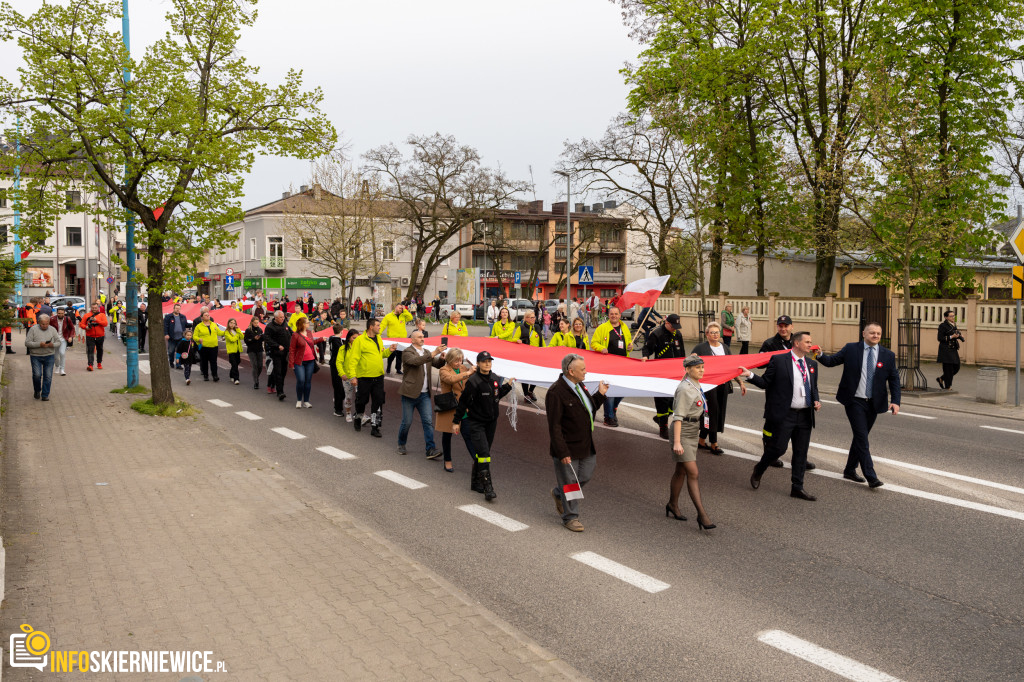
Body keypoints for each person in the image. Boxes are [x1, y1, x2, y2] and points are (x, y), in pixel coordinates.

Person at [740, 331, 822, 501]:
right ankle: (759, 469)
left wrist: (816, 400)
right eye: (807, 342)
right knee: (778, 449)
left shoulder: (811, 364)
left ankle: (797, 487)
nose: (810, 344)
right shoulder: (779, 361)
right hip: (786, 414)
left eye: (810, 342)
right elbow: (765, 383)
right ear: (797, 343)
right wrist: (750, 375)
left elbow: (813, 387)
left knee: (801, 452)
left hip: (805, 415)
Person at [817, 323, 900, 488]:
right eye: (872, 333)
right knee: (862, 437)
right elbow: (831, 361)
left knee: (860, 436)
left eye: (878, 333)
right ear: (864, 333)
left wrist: (896, 401)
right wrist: (819, 354)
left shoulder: (888, 355)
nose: (875, 336)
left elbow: (894, 379)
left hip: (874, 402)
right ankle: (871, 476)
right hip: (854, 400)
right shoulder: (851, 349)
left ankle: (849, 470)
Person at [546, 353, 609, 532]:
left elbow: (588, 409)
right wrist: (562, 452)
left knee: (585, 476)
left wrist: (601, 395)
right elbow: (554, 426)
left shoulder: (579, 386)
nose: (586, 372)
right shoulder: (556, 392)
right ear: (570, 371)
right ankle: (570, 518)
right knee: (571, 483)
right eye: (583, 370)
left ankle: (559, 493)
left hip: (585, 443)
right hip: (567, 447)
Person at [452, 351, 515, 501]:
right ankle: (488, 487)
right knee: (485, 454)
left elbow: (496, 395)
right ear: (478, 364)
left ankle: (475, 483)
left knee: (481, 454)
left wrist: (507, 387)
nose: (487, 363)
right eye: (484, 361)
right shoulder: (473, 381)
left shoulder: (494, 378)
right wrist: (456, 421)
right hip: (476, 423)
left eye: (489, 361)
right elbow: (463, 403)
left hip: (491, 423)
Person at [758, 315, 816, 471]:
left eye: (786, 326)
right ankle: (770, 454)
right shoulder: (770, 343)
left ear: (792, 327)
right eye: (780, 326)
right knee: (772, 423)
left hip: (795, 390)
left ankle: (800, 459)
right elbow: (759, 363)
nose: (783, 329)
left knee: (799, 433)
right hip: (776, 389)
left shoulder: (797, 342)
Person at [666, 354, 717, 529]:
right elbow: (678, 417)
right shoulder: (684, 389)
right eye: (697, 367)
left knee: (681, 470)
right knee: (693, 472)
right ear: (688, 370)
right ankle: (702, 515)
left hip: (693, 430)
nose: (701, 370)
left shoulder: (694, 384)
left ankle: (672, 504)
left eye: (702, 367)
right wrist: (677, 443)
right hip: (683, 432)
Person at [692, 322, 746, 454]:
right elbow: (690, 364)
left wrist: (740, 382)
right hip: (708, 386)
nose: (715, 335)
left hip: (723, 385)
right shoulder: (700, 348)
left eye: (717, 332)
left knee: (718, 411)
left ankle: (701, 439)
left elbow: (732, 367)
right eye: (712, 332)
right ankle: (714, 443)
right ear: (707, 334)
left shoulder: (725, 348)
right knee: (713, 412)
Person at [397, 330, 447, 458]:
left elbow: (435, 363)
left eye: (423, 337)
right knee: (407, 422)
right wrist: (435, 352)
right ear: (412, 340)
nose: (422, 338)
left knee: (428, 422)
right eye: (419, 337)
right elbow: (416, 361)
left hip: (424, 394)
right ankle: (401, 443)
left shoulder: (426, 352)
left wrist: (441, 359)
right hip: (409, 393)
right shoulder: (407, 352)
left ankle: (430, 449)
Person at [345, 318, 397, 437]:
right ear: (371, 327)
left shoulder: (379, 338)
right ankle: (358, 418)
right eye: (378, 325)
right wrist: (352, 376)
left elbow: (380, 354)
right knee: (361, 401)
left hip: (378, 377)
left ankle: (375, 427)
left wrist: (390, 351)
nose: (380, 327)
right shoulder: (360, 340)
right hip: (364, 378)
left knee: (378, 403)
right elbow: (353, 360)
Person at [642, 313, 686, 439]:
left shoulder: (678, 334)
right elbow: (647, 348)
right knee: (662, 400)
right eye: (673, 326)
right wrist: (645, 356)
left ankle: (661, 418)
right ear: (667, 323)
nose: (675, 329)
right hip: (661, 372)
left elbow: (682, 352)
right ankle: (663, 427)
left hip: (676, 372)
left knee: (674, 400)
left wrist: (685, 366)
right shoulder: (657, 334)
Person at [436, 349, 475, 473]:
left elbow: (471, 378)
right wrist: (468, 373)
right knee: (447, 436)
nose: (459, 363)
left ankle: (477, 461)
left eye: (460, 360)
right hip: (449, 407)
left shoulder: (464, 367)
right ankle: (447, 461)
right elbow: (452, 379)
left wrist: (475, 366)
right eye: (456, 360)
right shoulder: (443, 370)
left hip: (463, 407)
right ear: (450, 359)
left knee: (468, 435)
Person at [591, 306, 632, 426]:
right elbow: (593, 343)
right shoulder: (602, 328)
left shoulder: (624, 327)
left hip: (623, 364)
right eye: (611, 314)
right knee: (609, 392)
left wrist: (630, 346)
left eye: (616, 314)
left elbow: (629, 343)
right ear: (608, 316)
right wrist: (601, 348)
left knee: (623, 389)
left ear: (620, 315)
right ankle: (608, 417)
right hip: (607, 365)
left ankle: (613, 408)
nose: (614, 316)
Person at [25, 313, 62, 401]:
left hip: (49, 355)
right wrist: (39, 344)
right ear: (39, 323)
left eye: (46, 324)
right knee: (37, 375)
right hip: (36, 356)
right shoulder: (33, 329)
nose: (44, 326)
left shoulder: (52, 329)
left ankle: (45, 394)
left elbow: (58, 342)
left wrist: (51, 345)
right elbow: (27, 343)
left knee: (48, 376)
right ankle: (37, 390)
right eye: (42, 324)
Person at [512, 309, 544, 402]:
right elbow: (514, 338)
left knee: (536, 375)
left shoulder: (537, 327)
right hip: (525, 355)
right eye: (531, 317)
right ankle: (526, 395)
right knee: (525, 375)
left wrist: (545, 350)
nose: (534, 319)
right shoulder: (521, 328)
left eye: (534, 317)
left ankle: (530, 391)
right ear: (526, 318)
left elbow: (541, 340)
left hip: (537, 355)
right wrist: (517, 340)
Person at [288, 316, 317, 408]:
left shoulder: (309, 333)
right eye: (307, 322)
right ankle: (299, 400)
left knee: (308, 381)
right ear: (302, 324)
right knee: (301, 380)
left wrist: (320, 340)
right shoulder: (295, 335)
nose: (309, 324)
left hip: (310, 361)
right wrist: (291, 363)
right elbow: (292, 349)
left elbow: (311, 342)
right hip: (299, 362)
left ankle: (306, 401)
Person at [264, 310, 292, 401]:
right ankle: (280, 392)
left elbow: (292, 333)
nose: (283, 318)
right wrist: (277, 346)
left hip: (286, 353)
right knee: (278, 372)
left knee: (284, 371)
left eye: (283, 317)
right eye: (281, 317)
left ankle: (279, 387)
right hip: (276, 353)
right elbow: (267, 339)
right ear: (275, 318)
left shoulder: (285, 324)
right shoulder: (270, 327)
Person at [381, 303, 413, 375]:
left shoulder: (403, 316)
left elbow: (410, 317)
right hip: (393, 339)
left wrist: (405, 311)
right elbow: (382, 326)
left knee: (400, 356)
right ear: (395, 308)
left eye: (402, 308)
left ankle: (398, 369)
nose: (401, 309)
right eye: (399, 308)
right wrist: (377, 335)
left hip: (402, 339)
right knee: (391, 354)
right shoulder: (388, 316)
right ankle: (388, 367)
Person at [329, 325, 352, 419]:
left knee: (339, 388)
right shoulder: (337, 342)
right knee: (339, 388)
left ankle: (337, 402)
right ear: (342, 331)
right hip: (336, 366)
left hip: (333, 365)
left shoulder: (332, 339)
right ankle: (337, 409)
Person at [193, 311, 224, 382]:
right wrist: (199, 339)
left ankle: (215, 375)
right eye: (206, 315)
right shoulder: (199, 326)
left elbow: (219, 332)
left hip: (214, 346)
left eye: (208, 315)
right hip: (204, 347)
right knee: (204, 361)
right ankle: (205, 375)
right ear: (202, 317)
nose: (208, 316)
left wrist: (228, 330)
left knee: (213, 361)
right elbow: (194, 336)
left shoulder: (213, 324)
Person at [937, 310, 964, 390]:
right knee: (948, 368)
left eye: (953, 315)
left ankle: (941, 378)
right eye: (951, 316)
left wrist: (959, 336)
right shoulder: (943, 326)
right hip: (946, 349)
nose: (953, 317)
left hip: (953, 349)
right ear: (946, 317)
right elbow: (940, 338)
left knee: (956, 367)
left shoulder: (953, 324)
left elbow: (954, 333)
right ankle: (947, 387)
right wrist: (952, 337)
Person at [79, 303, 108, 370]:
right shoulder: (86, 315)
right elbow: (81, 324)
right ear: (91, 308)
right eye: (93, 308)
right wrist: (86, 327)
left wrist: (96, 320)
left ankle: (99, 363)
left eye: (95, 308)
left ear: (98, 308)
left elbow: (105, 324)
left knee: (100, 349)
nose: (94, 309)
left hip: (100, 336)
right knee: (90, 350)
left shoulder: (102, 315)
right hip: (90, 336)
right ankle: (90, 365)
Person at [163, 303, 188, 369]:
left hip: (181, 337)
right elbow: (165, 326)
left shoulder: (183, 317)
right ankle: (171, 362)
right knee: (171, 351)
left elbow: (186, 325)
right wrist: (166, 334)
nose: (177, 310)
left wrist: (193, 324)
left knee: (179, 351)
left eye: (179, 309)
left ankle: (178, 364)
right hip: (172, 337)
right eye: (176, 308)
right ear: (173, 309)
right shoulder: (168, 317)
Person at [52, 306, 75, 376]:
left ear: (64, 313)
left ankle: (62, 369)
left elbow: (72, 328)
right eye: (59, 313)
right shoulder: (52, 319)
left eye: (62, 313)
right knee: (55, 355)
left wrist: (70, 336)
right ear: (56, 313)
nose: (60, 315)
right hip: (55, 340)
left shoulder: (67, 319)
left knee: (62, 353)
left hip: (63, 339)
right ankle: (57, 366)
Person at [243, 316, 264, 389]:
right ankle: (256, 382)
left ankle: (256, 376)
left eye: (257, 323)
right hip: (251, 350)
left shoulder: (260, 329)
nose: (256, 324)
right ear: (252, 322)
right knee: (255, 365)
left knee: (260, 366)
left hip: (259, 349)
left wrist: (262, 337)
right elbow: (246, 340)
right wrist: (253, 339)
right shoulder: (248, 330)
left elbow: (262, 340)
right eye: (255, 323)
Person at [223, 318, 244, 385]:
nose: (232, 324)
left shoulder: (236, 330)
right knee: (234, 364)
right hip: (231, 350)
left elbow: (242, 337)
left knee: (237, 362)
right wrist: (237, 335)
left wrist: (238, 330)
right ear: (228, 323)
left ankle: (231, 375)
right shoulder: (226, 332)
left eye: (234, 323)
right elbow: (232, 339)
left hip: (237, 349)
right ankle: (236, 379)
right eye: (231, 323)